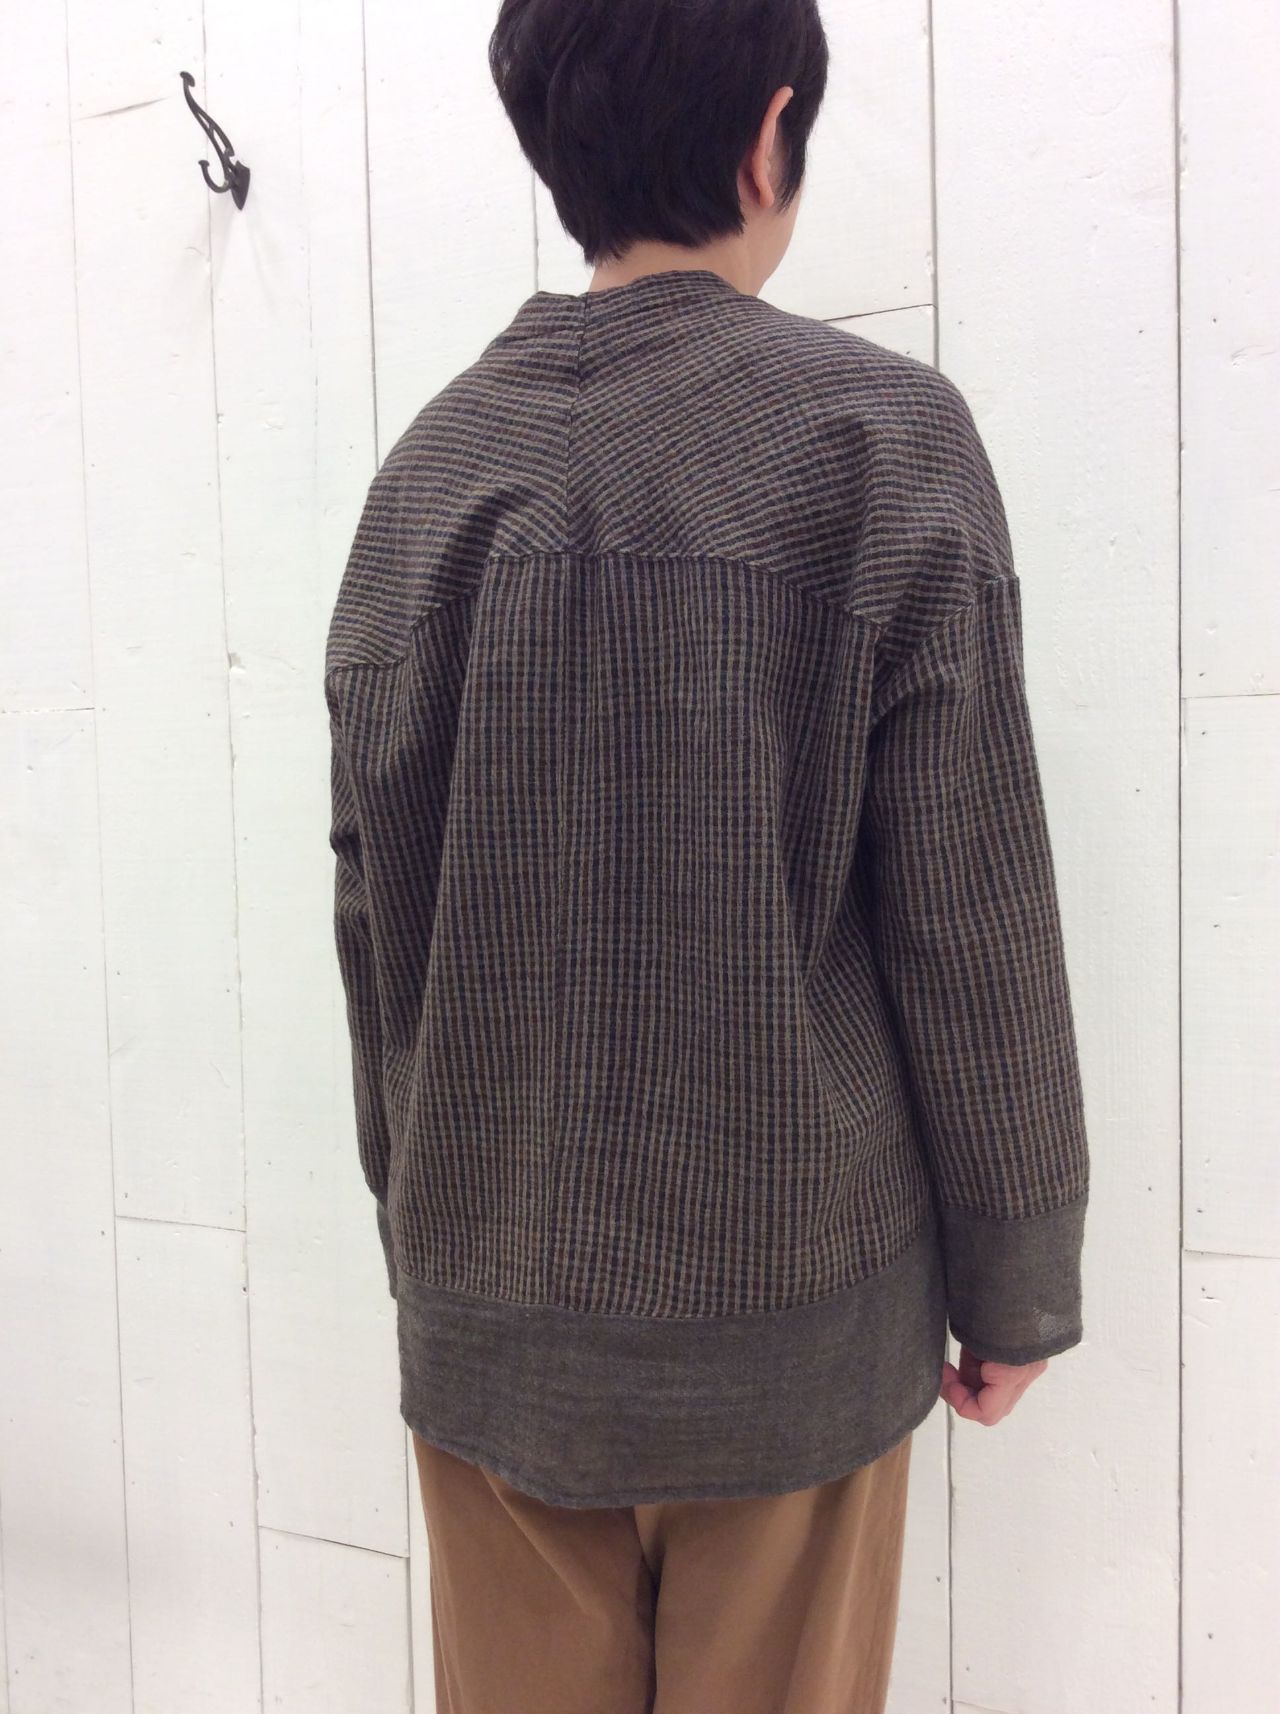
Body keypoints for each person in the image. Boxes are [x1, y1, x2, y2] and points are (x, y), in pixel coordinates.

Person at [323, 1, 1091, 1707]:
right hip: (794, 1332)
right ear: (768, 137)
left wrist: (430, 1244)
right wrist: (1016, 1274)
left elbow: (374, 918)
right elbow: (971, 902)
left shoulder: (425, 483)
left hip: (494, 1329)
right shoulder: (880, 442)